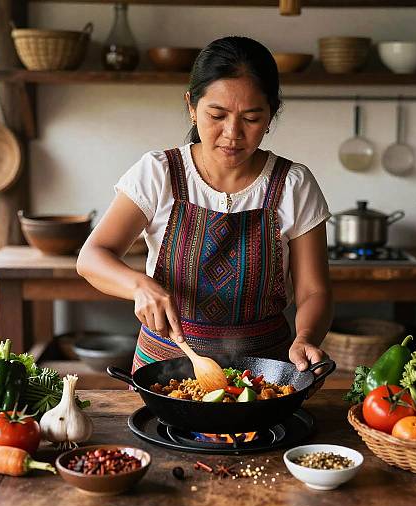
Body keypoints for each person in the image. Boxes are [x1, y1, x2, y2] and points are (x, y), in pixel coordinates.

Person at [77, 36, 333, 381]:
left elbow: (314, 290)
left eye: (252, 118)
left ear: (271, 114)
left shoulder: (293, 184)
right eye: (217, 115)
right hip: (165, 370)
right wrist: (138, 285)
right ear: (191, 106)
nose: (232, 133)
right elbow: (92, 257)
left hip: (265, 375)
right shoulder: (159, 172)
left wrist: (306, 337)